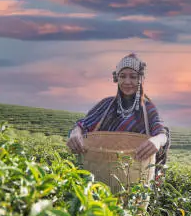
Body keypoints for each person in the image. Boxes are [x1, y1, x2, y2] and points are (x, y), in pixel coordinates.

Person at [66, 53, 170, 183]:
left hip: (133, 176)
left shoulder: (148, 109)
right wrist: (76, 132)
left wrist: (156, 141)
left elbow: (161, 133)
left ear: (140, 79)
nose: (127, 82)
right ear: (117, 78)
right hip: (100, 173)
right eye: (122, 76)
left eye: (133, 76)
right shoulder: (106, 105)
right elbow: (83, 125)